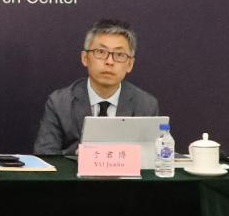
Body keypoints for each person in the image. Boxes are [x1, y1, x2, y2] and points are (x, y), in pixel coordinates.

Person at [33, 19, 158, 155]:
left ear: (130, 64)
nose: (109, 61)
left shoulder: (146, 105)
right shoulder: (59, 103)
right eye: (101, 52)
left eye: (119, 55)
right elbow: (45, 156)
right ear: (85, 58)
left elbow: (152, 158)